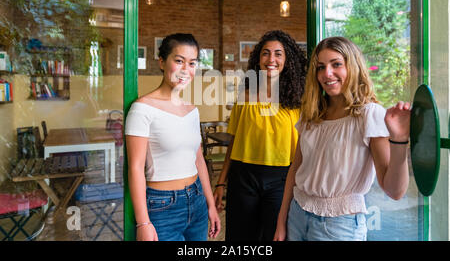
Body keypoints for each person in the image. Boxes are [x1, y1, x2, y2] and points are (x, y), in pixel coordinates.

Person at [274, 36, 411, 241]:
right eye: (320, 67)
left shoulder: (369, 114)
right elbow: (296, 168)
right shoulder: (311, 113)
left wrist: (399, 140)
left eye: (336, 64)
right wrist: (281, 221)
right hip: (297, 214)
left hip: (338, 226)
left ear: (353, 67)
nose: (326, 74)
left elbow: (394, 191)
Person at [213, 30, 308, 241]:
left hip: (282, 179)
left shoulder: (299, 99)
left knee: (274, 236)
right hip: (243, 176)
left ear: (287, 60)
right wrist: (221, 183)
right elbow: (235, 140)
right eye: (265, 53)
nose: (271, 59)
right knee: (239, 238)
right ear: (258, 59)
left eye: (278, 54)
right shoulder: (245, 94)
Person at [125, 33, 221, 241]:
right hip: (162, 207)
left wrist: (211, 205)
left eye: (192, 63)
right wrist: (143, 222)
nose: (186, 70)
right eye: (179, 61)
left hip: (197, 201)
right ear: (162, 62)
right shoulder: (142, 109)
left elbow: (199, 160)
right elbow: (135, 168)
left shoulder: (192, 110)